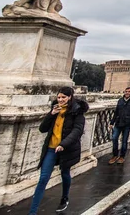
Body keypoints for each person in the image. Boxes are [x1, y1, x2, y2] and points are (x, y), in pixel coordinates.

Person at [29, 87, 89, 215]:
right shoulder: (55, 110)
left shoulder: (77, 111)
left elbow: (77, 131)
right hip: (51, 148)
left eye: (63, 97)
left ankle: (65, 197)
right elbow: (42, 129)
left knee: (65, 173)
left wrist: (64, 144)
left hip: (66, 148)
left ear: (70, 97)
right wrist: (51, 114)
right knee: (43, 178)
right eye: (59, 97)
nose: (60, 100)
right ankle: (32, 212)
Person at [108, 87, 130, 164]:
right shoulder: (120, 100)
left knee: (124, 141)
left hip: (127, 123)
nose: (127, 93)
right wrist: (112, 123)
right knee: (114, 138)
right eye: (126, 91)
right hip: (118, 122)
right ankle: (115, 155)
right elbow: (116, 112)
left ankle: (122, 156)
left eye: (129, 91)